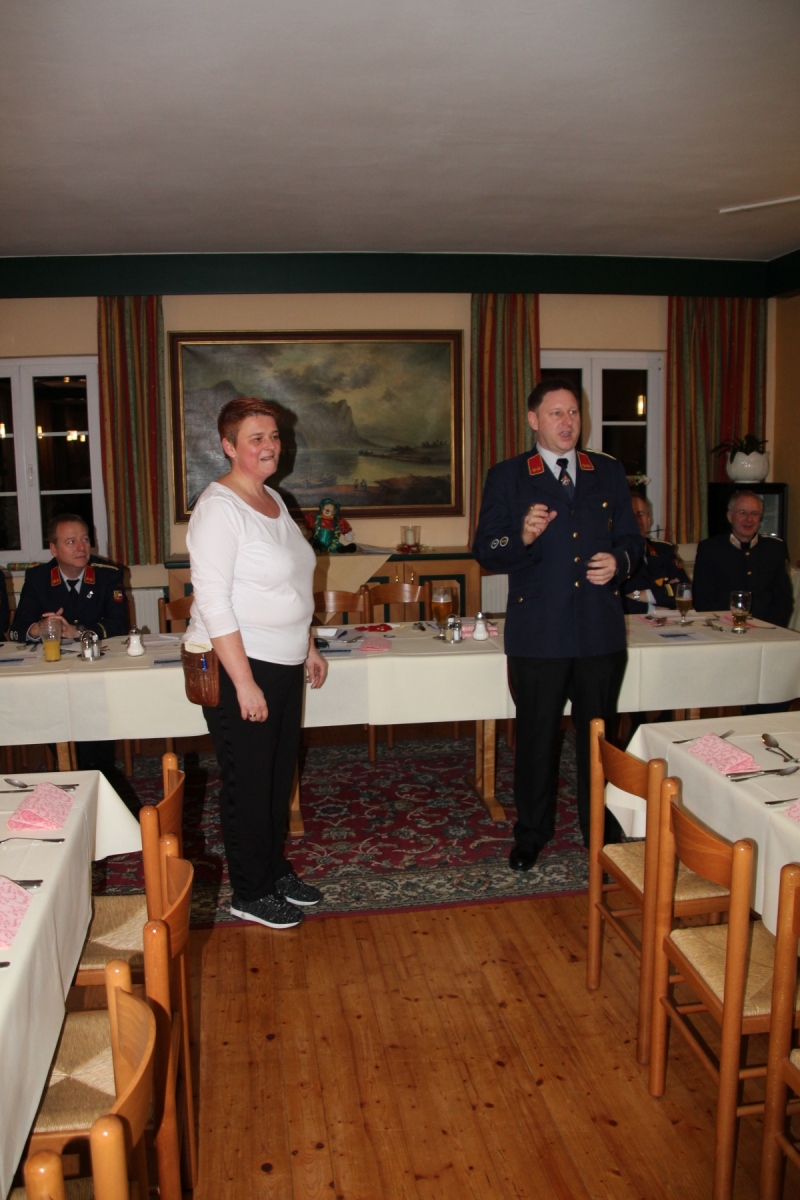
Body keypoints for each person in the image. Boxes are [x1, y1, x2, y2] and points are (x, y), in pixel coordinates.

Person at [473, 377, 643, 870]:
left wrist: (619, 562)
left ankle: (599, 828)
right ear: (533, 420)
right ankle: (532, 833)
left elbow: (632, 540)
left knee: (599, 739)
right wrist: (521, 537)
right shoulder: (508, 476)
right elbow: (486, 550)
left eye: (573, 412)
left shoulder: (606, 471)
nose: (568, 422)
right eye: (556, 413)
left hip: (598, 631)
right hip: (539, 634)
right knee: (537, 740)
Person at [185, 397, 328, 930]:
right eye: (256, 438)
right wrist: (243, 682)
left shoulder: (273, 499)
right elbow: (214, 601)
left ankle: (271, 869)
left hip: (284, 660)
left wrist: (307, 644)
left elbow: (292, 582)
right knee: (248, 781)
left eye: (274, 436)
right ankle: (249, 891)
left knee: (276, 775)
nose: (270, 446)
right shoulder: (218, 508)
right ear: (228, 446)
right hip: (238, 665)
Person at [9, 514, 129, 776]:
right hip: (52, 677)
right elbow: (16, 631)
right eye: (71, 542)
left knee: (93, 736)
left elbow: (119, 624)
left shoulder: (107, 575)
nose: (81, 548)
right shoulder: (38, 578)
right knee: (57, 719)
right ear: (53, 549)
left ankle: (91, 772)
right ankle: (80, 769)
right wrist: (38, 628)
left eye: (85, 539)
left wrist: (79, 631)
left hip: (95, 673)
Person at [692, 490, 793, 626]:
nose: (749, 519)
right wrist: (728, 624)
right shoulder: (710, 548)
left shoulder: (774, 549)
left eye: (754, 513)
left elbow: (783, 599)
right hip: (723, 627)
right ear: (730, 516)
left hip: (766, 627)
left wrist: (769, 627)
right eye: (742, 512)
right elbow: (703, 599)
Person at [623, 490, 690, 614]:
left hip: (666, 621)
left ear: (649, 519)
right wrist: (650, 609)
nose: (636, 520)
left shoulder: (664, 550)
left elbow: (685, 590)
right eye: (630, 515)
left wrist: (640, 595)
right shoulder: (611, 555)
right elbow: (610, 600)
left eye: (640, 514)